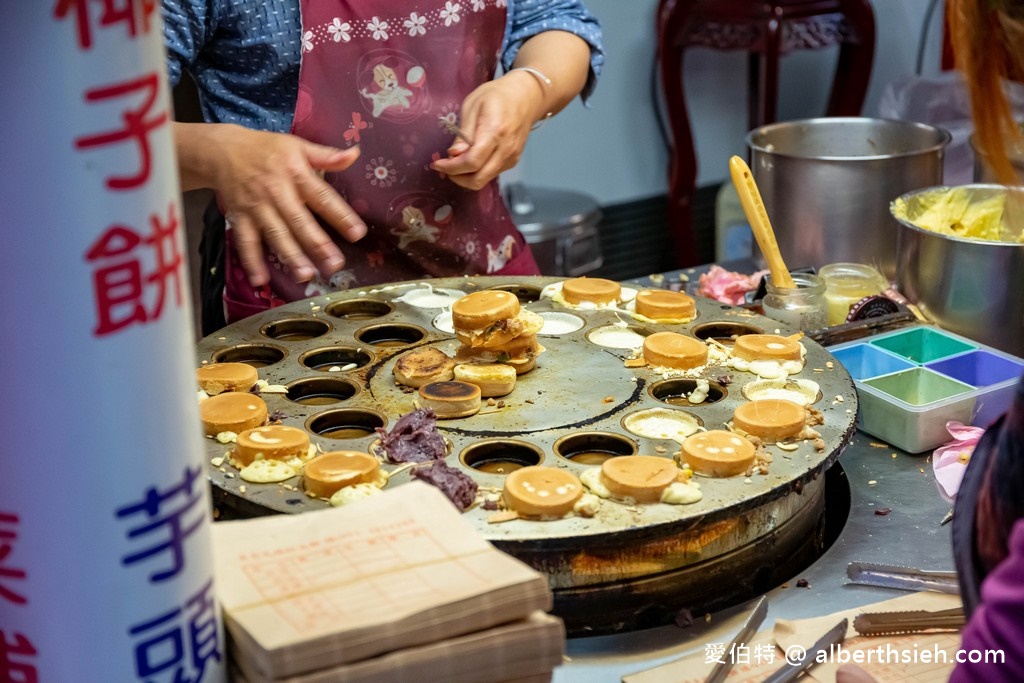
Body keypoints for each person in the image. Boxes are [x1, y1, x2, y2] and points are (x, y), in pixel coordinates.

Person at [162, 0, 603, 332]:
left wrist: (529, 89)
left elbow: (557, 21)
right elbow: (99, 134)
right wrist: (217, 153)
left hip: (476, 274)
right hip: (295, 303)